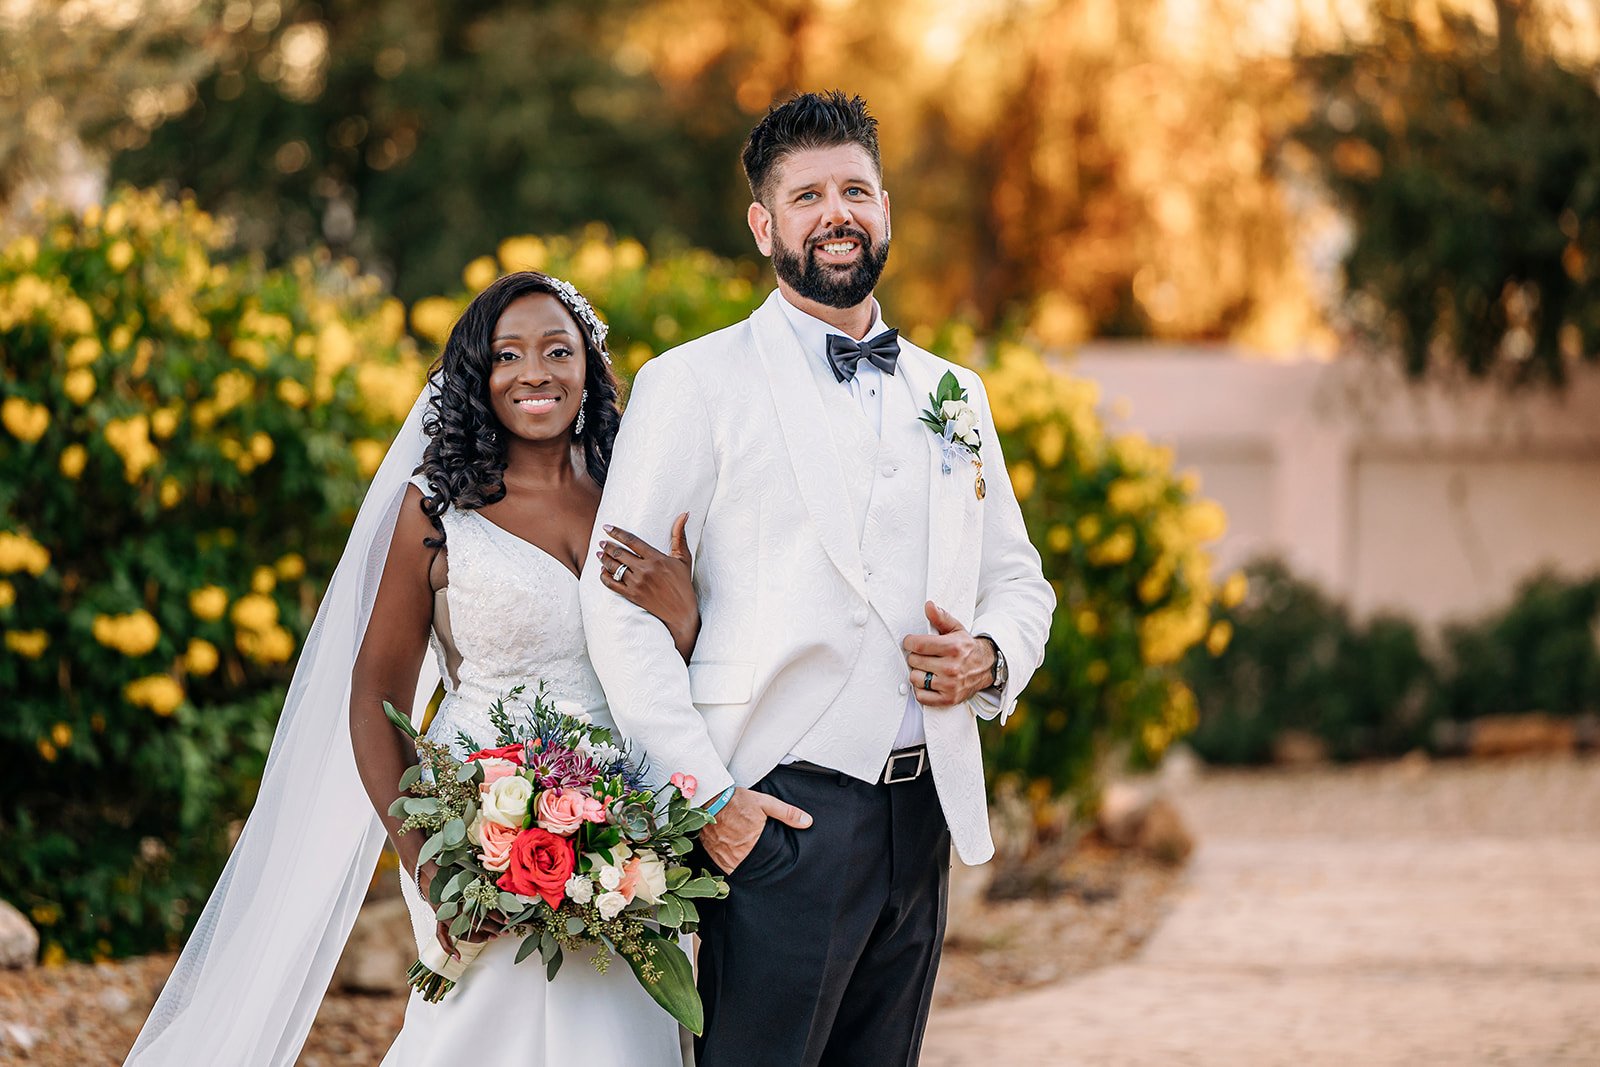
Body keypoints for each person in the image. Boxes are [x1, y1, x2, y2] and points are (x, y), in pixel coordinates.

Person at [581, 91, 1057, 1066]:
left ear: (885, 209)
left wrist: (989, 654)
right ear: (764, 225)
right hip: (773, 813)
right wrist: (708, 800)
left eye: (855, 189)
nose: (834, 212)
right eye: (805, 196)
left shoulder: (953, 395)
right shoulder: (693, 382)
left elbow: (1019, 580)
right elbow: (614, 604)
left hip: (919, 816)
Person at [126, 272, 699, 1065]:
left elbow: (685, 670)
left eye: (557, 350)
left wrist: (685, 616)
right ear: (478, 375)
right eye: (508, 355)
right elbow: (373, 697)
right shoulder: (436, 508)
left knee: (618, 1041)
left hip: (631, 827)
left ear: (591, 368)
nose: (535, 372)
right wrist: (428, 861)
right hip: (480, 824)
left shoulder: (637, 494)